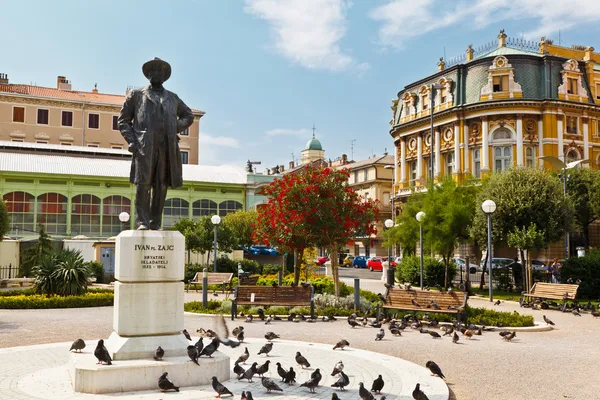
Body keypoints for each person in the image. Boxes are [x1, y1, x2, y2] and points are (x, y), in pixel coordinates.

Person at [118, 58, 194, 230]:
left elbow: (188, 116)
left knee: (161, 184)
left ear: (164, 75)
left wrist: (174, 126)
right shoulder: (136, 96)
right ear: (148, 75)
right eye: (151, 71)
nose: (155, 73)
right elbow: (123, 121)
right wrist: (132, 140)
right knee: (142, 184)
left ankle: (155, 222)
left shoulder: (172, 98)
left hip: (166, 146)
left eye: (159, 70)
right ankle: (142, 222)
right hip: (145, 145)